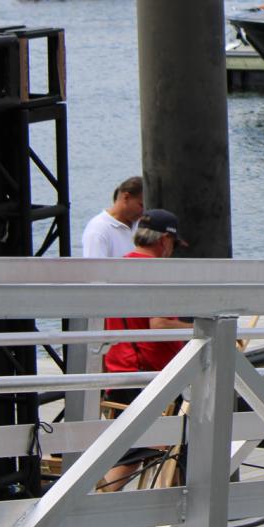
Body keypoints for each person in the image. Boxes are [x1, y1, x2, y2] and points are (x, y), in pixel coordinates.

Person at [98, 210, 192, 491]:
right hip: (149, 373)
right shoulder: (157, 273)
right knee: (140, 451)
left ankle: (173, 510)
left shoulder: (118, 269)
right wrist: (199, 330)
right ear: (165, 240)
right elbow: (159, 323)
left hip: (118, 368)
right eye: (174, 245)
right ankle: (96, 509)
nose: (172, 252)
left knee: (161, 447)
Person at [82, 176, 145, 259]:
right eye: (141, 205)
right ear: (126, 197)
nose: (144, 211)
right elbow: (94, 269)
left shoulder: (141, 225)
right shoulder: (98, 230)